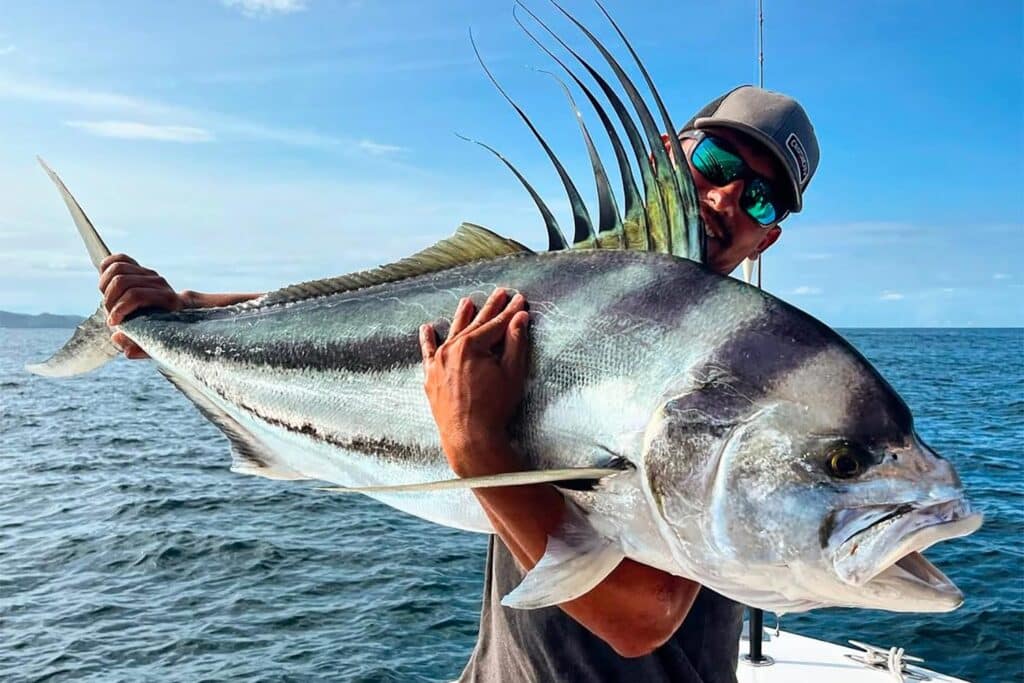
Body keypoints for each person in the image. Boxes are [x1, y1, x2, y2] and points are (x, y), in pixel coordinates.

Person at [98, 85, 819, 682]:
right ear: (670, 157)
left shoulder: (737, 374)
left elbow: (641, 617)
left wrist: (477, 444)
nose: (727, 199)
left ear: (769, 238)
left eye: (761, 200)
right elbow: (384, 324)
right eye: (717, 163)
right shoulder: (544, 299)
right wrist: (182, 315)